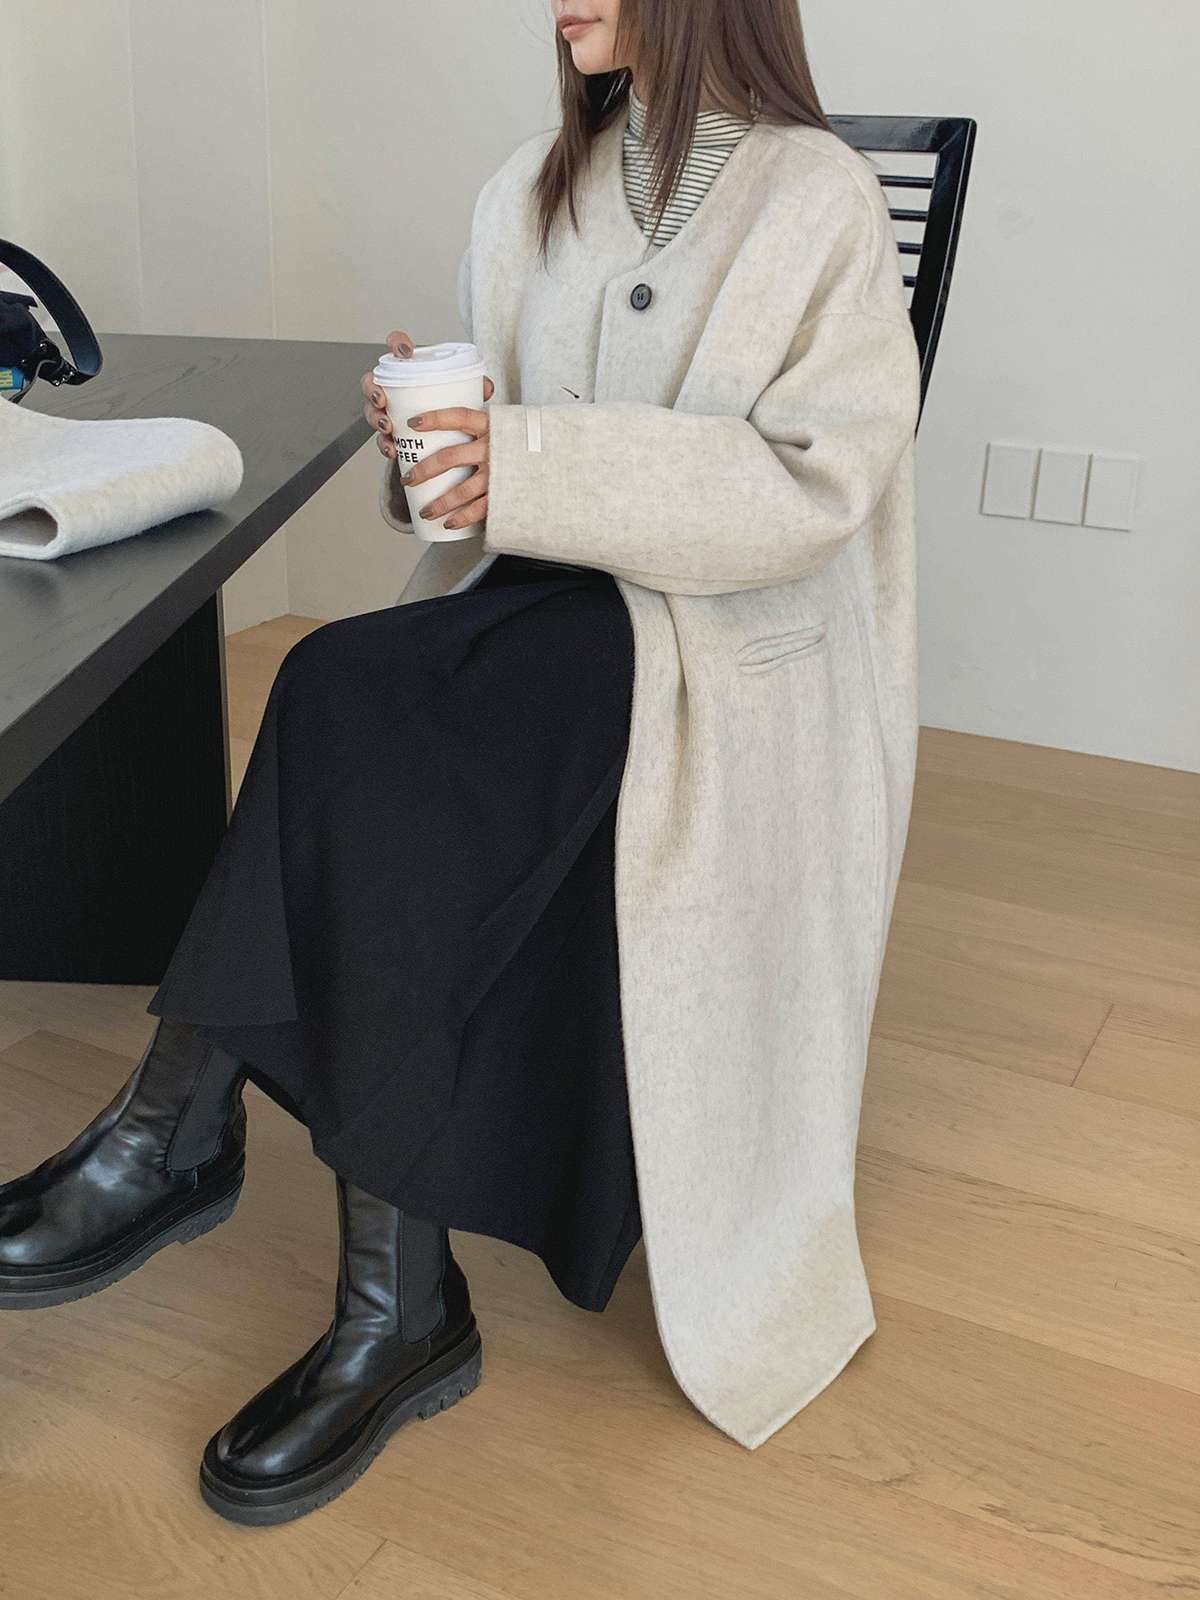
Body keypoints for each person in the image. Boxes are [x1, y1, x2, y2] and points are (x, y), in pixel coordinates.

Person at [0, 0, 922, 1525]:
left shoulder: (812, 196)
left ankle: (190, 1141)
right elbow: (485, 471)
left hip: (722, 645)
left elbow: (814, 486)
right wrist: (428, 449)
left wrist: (528, 457)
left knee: (353, 712)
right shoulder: (527, 193)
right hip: (542, 604)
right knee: (355, 714)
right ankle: (374, 1283)